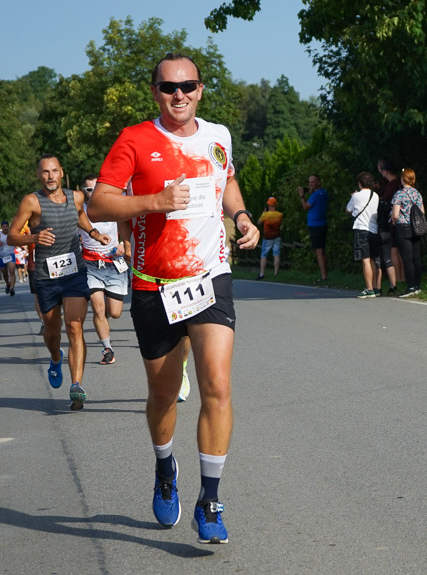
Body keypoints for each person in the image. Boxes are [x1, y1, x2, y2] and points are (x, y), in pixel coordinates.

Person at [87, 53, 260, 544]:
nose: (178, 95)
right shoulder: (135, 139)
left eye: (187, 86)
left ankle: (210, 500)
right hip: (153, 285)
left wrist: (242, 216)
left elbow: (226, 181)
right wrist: (153, 202)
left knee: (217, 387)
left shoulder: (219, 136)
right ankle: (165, 468)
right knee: (163, 396)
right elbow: (99, 202)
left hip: (209, 278)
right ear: (155, 91)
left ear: (201, 89)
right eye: (168, 87)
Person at [7, 154, 109, 410]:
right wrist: (33, 239)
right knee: (53, 331)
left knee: (75, 326)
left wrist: (94, 233)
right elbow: (11, 237)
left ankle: (76, 385)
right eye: (45, 172)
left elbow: (79, 216)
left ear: (61, 172)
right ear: (39, 174)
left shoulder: (76, 197)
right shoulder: (32, 202)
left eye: (54, 171)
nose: (50, 176)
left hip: (74, 272)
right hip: (46, 277)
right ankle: (55, 357)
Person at [79, 173, 131, 367]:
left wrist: (123, 246)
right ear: (84, 191)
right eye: (89, 189)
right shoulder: (81, 213)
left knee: (115, 312)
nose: (92, 193)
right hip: (91, 265)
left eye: (95, 189)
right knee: (98, 308)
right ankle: (107, 349)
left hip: (114, 264)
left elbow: (126, 229)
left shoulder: (111, 209)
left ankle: (106, 316)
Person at [391, 168, 425, 297]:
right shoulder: (418, 194)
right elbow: (422, 212)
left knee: (407, 259)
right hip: (416, 227)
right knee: (416, 257)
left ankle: (410, 287)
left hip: (403, 227)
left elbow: (395, 214)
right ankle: (417, 285)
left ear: (402, 178)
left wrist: (395, 221)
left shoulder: (399, 194)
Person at [346, 172, 380, 298]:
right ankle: (376, 287)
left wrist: (353, 196)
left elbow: (348, 210)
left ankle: (369, 288)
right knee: (373, 259)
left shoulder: (356, 196)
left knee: (365, 260)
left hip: (362, 229)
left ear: (360, 183)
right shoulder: (375, 195)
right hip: (374, 229)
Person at [376, 159, 403, 294]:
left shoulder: (392, 185)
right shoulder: (398, 184)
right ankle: (401, 278)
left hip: (392, 220)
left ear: (386, 171)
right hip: (399, 220)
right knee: (397, 249)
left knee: (393, 250)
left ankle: (399, 278)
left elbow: (384, 199)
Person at [296, 174, 328, 281]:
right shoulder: (323, 193)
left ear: (318, 182)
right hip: (321, 223)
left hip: (316, 224)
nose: (310, 185)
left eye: (313, 182)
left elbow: (305, 206)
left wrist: (302, 196)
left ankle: (324, 276)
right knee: (321, 250)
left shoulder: (316, 195)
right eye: (309, 183)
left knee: (318, 251)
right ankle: (324, 274)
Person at [256, 196, 283, 280]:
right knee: (276, 254)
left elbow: (259, 222)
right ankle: (276, 273)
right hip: (277, 236)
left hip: (267, 237)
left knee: (264, 255)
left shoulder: (265, 215)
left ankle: (262, 273)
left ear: (268, 205)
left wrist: (263, 213)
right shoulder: (280, 215)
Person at [0, 221, 17, 295]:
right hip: (1, 256)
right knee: (4, 272)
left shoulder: (11, 234)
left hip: (10, 255)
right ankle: (8, 283)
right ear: (1, 227)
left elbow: (17, 240)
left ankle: (12, 288)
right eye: (3, 226)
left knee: (11, 271)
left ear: (8, 227)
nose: (5, 228)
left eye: (6, 226)